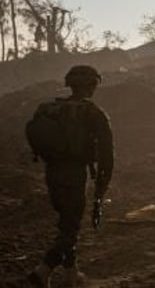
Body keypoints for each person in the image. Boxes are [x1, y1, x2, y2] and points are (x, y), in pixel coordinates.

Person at [27, 66, 114, 287]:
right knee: (71, 227)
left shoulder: (52, 109)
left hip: (52, 172)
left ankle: (71, 274)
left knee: (67, 222)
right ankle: (44, 269)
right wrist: (100, 190)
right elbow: (107, 156)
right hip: (74, 174)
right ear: (92, 86)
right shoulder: (93, 113)